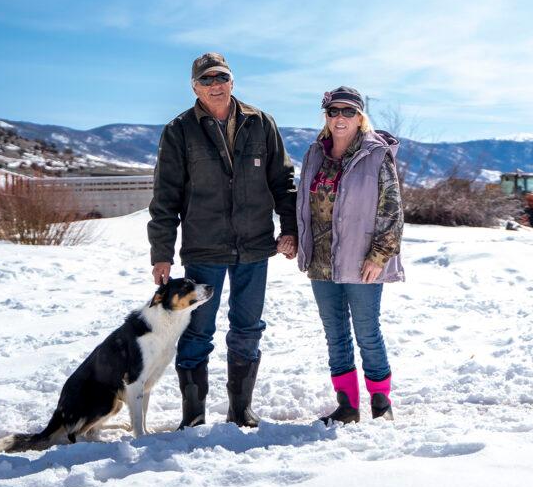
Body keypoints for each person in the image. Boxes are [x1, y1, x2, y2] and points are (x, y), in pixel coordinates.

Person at [148, 52, 297, 429]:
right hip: (204, 247)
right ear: (194, 87)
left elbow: (283, 182)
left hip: (254, 245)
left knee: (248, 328)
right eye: (206, 80)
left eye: (222, 78)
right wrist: (161, 253)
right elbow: (165, 197)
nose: (215, 86)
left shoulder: (260, 123)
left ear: (232, 82)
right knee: (198, 330)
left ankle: (240, 409)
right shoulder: (179, 130)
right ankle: (193, 415)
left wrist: (291, 229)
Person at [295, 86, 404, 424]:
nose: (339, 118)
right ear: (325, 116)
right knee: (335, 333)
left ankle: (381, 403)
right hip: (321, 261)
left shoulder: (376, 154)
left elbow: (392, 210)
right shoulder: (315, 154)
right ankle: (348, 405)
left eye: (347, 112)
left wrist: (379, 256)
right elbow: (301, 203)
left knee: (367, 331)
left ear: (360, 117)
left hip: (362, 262)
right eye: (333, 111)